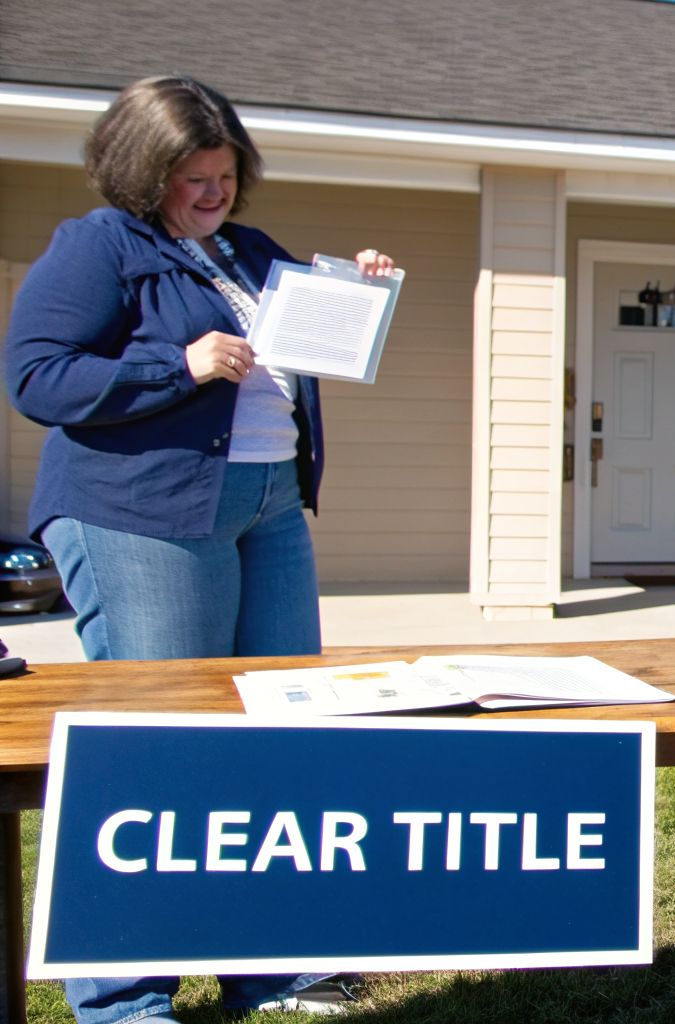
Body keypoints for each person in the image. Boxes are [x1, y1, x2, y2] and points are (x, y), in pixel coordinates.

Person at [4, 76, 393, 1022]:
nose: (213, 194)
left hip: (268, 506)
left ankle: (270, 968)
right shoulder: (100, 246)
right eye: (193, 178)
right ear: (144, 172)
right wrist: (174, 364)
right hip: (140, 511)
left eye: (225, 175)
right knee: (153, 746)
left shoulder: (248, 252)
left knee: (279, 732)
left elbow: (307, 352)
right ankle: (125, 995)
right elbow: (35, 375)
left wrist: (360, 294)